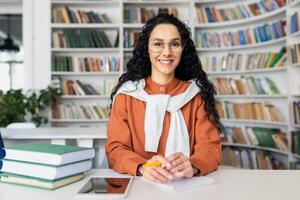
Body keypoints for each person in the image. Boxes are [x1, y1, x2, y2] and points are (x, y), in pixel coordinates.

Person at [105, 13, 223, 183]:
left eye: (174, 44)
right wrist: (142, 167)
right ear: (147, 48)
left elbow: (210, 147)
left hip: (185, 185)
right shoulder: (127, 96)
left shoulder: (196, 96)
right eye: (158, 44)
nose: (166, 52)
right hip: (138, 183)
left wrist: (194, 165)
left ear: (183, 49)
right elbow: (115, 149)